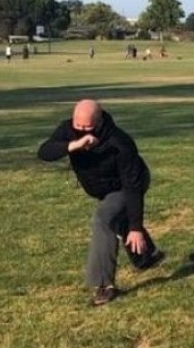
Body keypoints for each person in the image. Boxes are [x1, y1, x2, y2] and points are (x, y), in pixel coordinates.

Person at [36, 98, 165, 306]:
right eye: (78, 125)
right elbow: (44, 152)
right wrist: (73, 145)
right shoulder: (67, 129)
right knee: (115, 216)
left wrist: (136, 227)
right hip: (103, 190)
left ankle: (104, 285)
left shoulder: (120, 142)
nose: (82, 130)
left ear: (99, 122)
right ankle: (147, 255)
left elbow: (132, 188)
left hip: (128, 185)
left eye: (87, 127)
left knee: (103, 220)